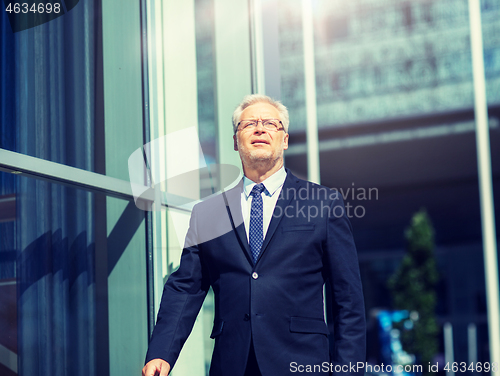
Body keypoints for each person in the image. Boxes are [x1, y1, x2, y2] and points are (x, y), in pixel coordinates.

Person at [142, 94, 366, 376]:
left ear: (284, 139)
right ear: (235, 141)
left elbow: (348, 299)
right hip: (232, 364)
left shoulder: (323, 203)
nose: (259, 129)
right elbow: (185, 288)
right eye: (249, 124)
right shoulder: (208, 213)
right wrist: (161, 353)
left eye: (270, 123)